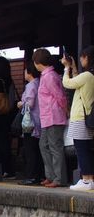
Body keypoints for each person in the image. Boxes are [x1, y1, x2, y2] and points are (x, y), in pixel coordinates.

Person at [33, 48, 68, 187]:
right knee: (44, 145)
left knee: (55, 147)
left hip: (54, 116)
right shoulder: (46, 75)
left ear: (37, 62)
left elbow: (60, 96)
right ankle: (51, 176)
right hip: (48, 117)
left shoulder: (50, 76)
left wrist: (66, 110)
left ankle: (59, 178)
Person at [61, 46, 94, 191]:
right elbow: (77, 83)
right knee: (85, 148)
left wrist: (65, 68)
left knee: (81, 149)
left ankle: (86, 179)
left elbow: (68, 83)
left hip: (80, 117)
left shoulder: (88, 76)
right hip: (84, 117)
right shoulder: (89, 76)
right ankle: (88, 179)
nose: (81, 59)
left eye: (82, 57)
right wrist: (73, 68)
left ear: (87, 57)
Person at [17, 61, 44, 185]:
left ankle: (31, 176)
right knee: (37, 150)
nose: (24, 73)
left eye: (25, 71)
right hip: (39, 121)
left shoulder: (31, 85)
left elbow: (30, 103)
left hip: (30, 123)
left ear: (29, 72)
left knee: (30, 150)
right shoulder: (39, 83)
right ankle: (39, 175)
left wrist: (21, 104)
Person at [0, 56, 18, 178]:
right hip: (7, 115)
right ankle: (8, 169)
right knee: (5, 143)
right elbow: (11, 99)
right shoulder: (9, 81)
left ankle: (2, 168)